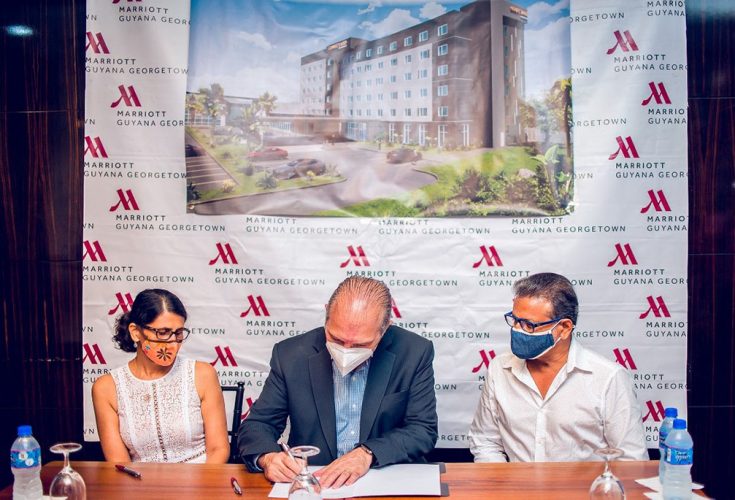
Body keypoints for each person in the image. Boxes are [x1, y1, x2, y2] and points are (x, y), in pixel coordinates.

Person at [238, 276, 437, 488]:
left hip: (383, 481)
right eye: (337, 339)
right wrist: (268, 458)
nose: (346, 350)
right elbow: (258, 425)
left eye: (361, 344)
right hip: (315, 484)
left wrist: (368, 453)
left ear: (385, 327)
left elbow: (422, 429)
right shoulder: (290, 355)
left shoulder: (414, 352)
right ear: (327, 314)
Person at [469, 273, 648, 462]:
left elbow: (631, 459)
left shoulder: (608, 378)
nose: (518, 330)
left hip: (584, 491)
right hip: (515, 490)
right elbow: (485, 442)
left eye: (529, 325)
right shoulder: (500, 369)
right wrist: (506, 486)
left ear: (564, 327)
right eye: (515, 320)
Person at [92, 288, 229, 463]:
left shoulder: (202, 374)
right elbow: (118, 463)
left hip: (201, 481)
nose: (172, 342)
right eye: (162, 332)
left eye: (178, 333)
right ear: (135, 332)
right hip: (140, 485)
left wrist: (200, 487)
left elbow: (219, 449)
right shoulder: (106, 388)